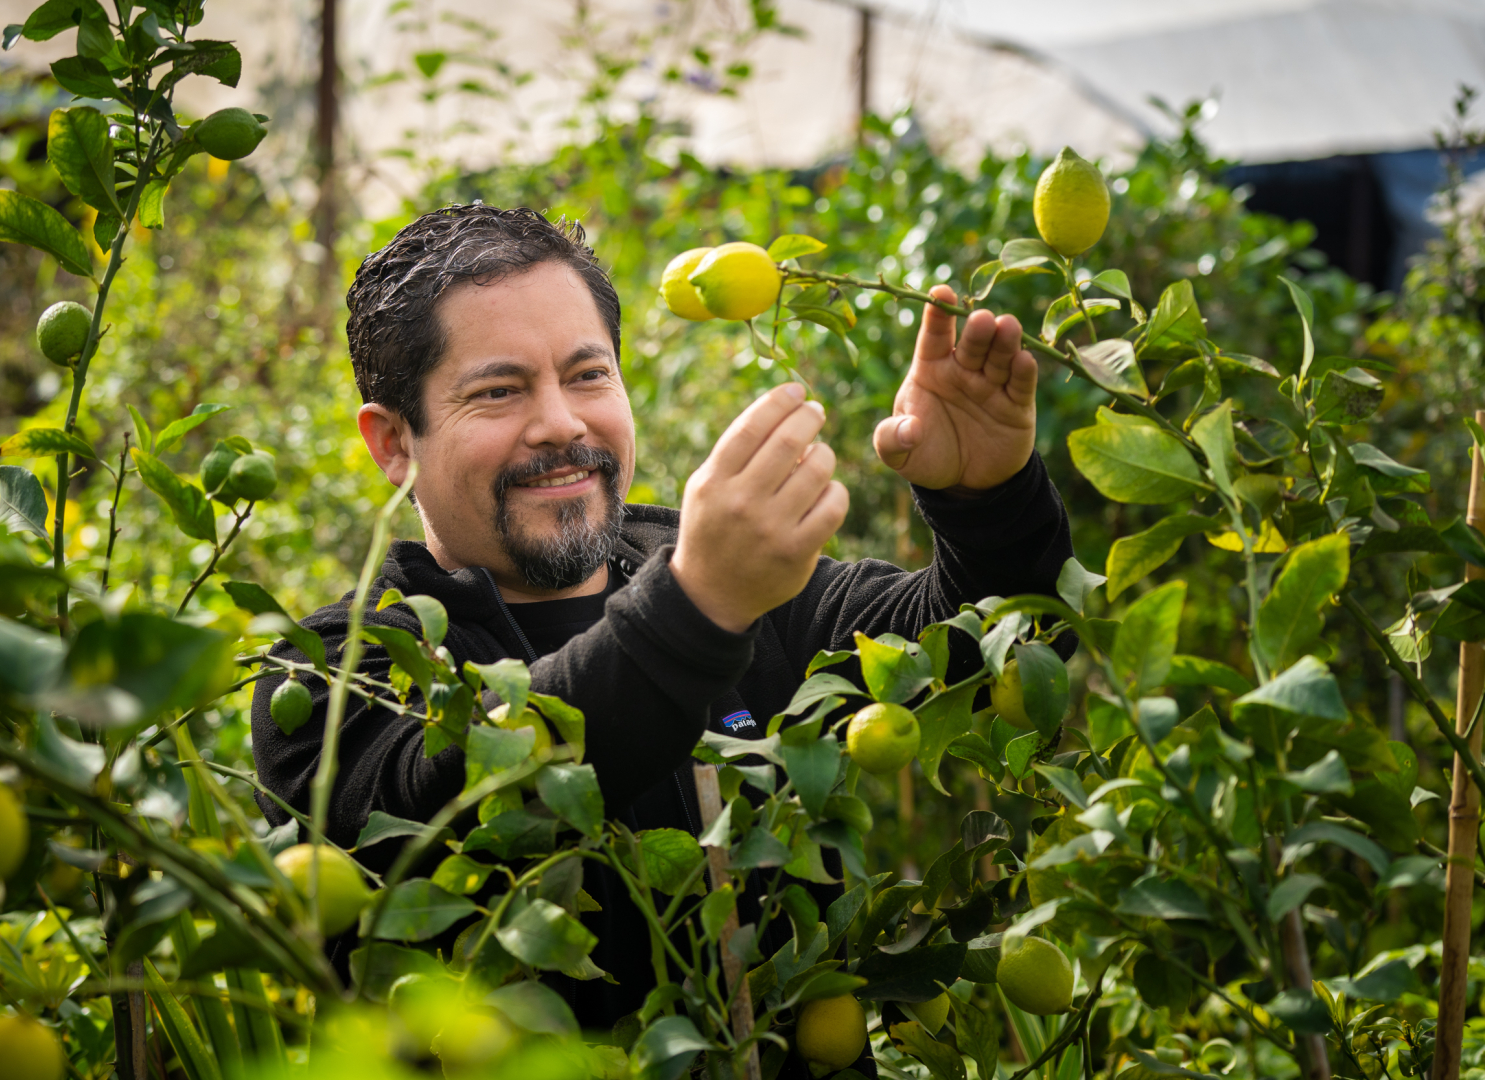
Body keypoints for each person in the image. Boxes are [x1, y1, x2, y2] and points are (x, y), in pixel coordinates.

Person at [250, 204, 1074, 1056]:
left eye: (587, 375)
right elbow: (445, 806)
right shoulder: (335, 673)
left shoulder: (729, 577)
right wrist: (698, 607)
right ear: (394, 443)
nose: (561, 423)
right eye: (498, 391)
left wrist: (988, 504)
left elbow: (994, 655)